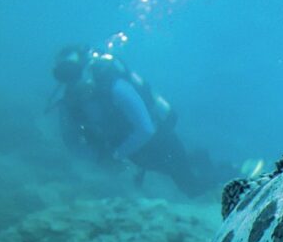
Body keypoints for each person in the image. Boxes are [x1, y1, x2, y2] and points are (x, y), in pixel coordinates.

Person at [50, 44, 235, 195]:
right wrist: (101, 158)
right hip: (137, 154)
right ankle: (202, 159)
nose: (71, 81)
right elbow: (71, 143)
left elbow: (145, 129)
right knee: (179, 168)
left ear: (87, 68)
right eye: (63, 75)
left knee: (191, 188)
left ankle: (235, 173)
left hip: (161, 142)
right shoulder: (69, 105)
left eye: (73, 72)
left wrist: (113, 156)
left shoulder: (116, 88)